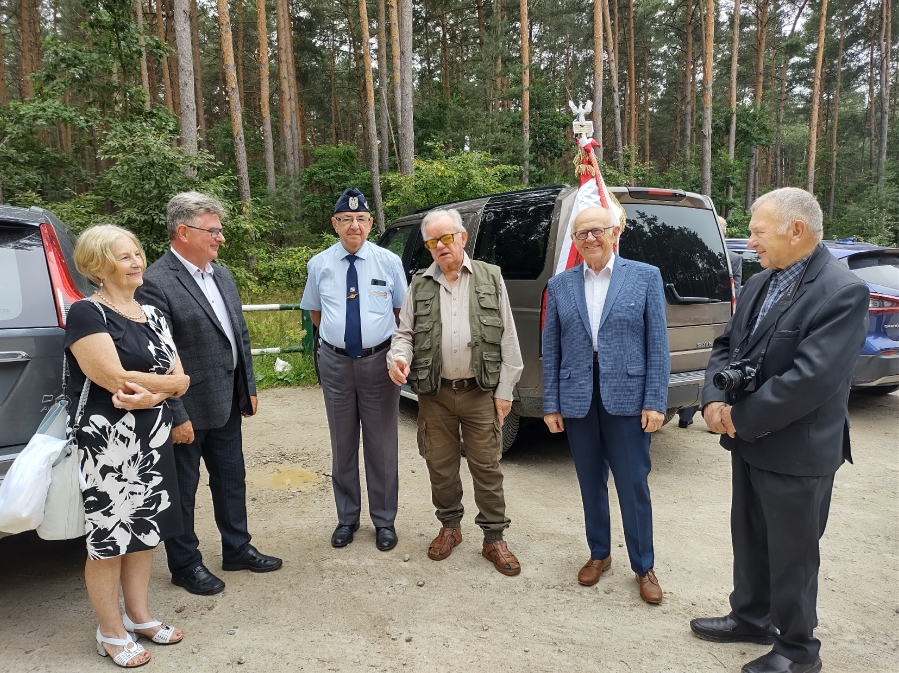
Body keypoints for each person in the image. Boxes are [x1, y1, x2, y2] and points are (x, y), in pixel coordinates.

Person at [690, 188, 869, 673]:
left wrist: (739, 418)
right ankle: (750, 617)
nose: (749, 242)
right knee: (749, 538)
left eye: (757, 232)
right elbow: (726, 345)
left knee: (793, 554)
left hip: (798, 449)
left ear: (797, 230)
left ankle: (797, 650)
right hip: (749, 441)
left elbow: (810, 380)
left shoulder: (841, 290)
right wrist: (712, 399)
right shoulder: (759, 282)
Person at [135, 192, 282, 597]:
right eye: (213, 230)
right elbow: (158, 357)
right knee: (182, 491)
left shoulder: (222, 275)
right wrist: (176, 413)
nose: (221, 238)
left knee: (232, 480)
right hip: (187, 409)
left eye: (220, 230)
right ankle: (185, 565)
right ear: (183, 232)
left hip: (227, 401)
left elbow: (240, 335)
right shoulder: (155, 282)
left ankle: (237, 549)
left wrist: (248, 388)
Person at [66, 225, 190, 667]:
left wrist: (159, 392)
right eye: (124, 257)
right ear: (98, 266)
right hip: (107, 444)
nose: (137, 262)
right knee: (109, 538)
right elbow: (113, 378)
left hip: (152, 436)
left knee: (144, 530)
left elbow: (181, 378)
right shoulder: (86, 313)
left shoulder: (152, 313)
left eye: (137, 253)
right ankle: (110, 631)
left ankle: (139, 616)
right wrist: (169, 386)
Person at [541, 206, 670, 604]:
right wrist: (551, 404)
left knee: (633, 485)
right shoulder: (560, 285)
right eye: (582, 233)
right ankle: (599, 553)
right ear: (574, 241)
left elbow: (658, 345)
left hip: (628, 399)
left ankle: (643, 566)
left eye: (597, 230)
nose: (590, 238)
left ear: (615, 233)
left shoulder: (645, 276)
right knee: (589, 482)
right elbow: (551, 348)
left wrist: (655, 401)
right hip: (578, 398)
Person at [388, 209, 524, 576]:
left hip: (480, 392)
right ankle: (450, 526)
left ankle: (493, 537)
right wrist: (398, 358)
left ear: (462, 238)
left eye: (447, 238)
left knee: (487, 466)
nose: (441, 246)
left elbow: (508, 337)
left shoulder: (490, 277)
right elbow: (404, 334)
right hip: (435, 394)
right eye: (433, 242)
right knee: (440, 465)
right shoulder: (419, 285)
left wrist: (505, 391)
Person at [300, 188, 407, 551]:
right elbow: (316, 314)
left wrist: (385, 349)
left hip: (379, 364)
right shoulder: (319, 265)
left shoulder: (388, 262)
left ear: (371, 223)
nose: (354, 226)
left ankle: (384, 521)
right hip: (336, 364)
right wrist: (341, 341)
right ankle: (347, 518)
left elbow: (401, 314)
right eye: (346, 219)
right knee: (342, 443)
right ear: (335, 224)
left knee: (381, 444)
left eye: (360, 219)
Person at [679, 214, 744, 429]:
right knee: (707, 359)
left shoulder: (702, 254)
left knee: (705, 359)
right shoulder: (728, 257)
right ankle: (689, 415)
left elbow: (735, 289)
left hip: (702, 311)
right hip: (713, 312)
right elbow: (734, 291)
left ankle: (688, 416)